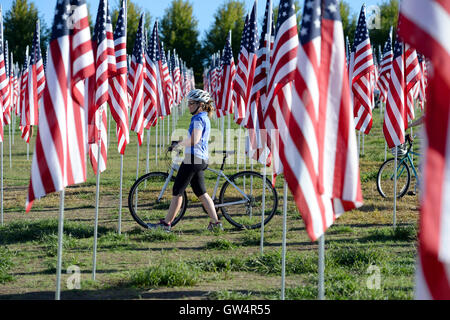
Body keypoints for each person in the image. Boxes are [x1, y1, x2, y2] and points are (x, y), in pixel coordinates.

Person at [149, 89, 223, 232]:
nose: (188, 105)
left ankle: (166, 224)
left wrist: (178, 144)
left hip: (193, 159)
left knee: (177, 191)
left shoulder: (198, 119)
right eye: (188, 103)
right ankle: (215, 223)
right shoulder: (204, 117)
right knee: (201, 193)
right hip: (200, 158)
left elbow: (195, 140)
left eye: (191, 103)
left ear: (200, 105)